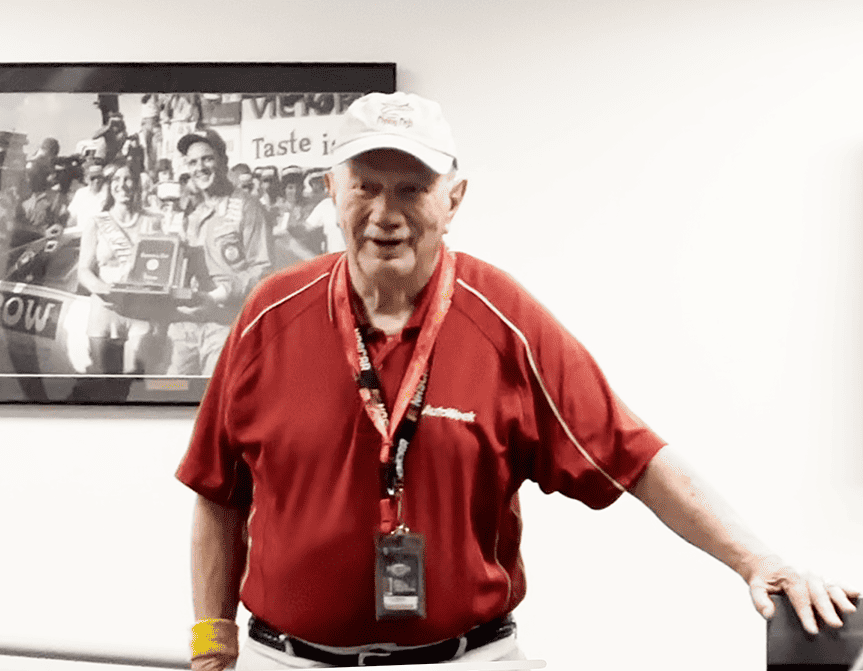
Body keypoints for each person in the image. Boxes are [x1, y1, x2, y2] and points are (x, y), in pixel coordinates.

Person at [176, 92, 859, 670]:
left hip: (466, 660)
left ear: (454, 200)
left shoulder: (505, 320)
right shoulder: (270, 313)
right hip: (287, 660)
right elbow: (216, 488)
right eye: (366, 185)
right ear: (332, 190)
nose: (386, 212)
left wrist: (755, 559)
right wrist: (212, 638)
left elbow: (636, 456)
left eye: (412, 188)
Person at [165, 130, 272, 376]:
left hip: (226, 324)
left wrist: (218, 295)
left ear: (223, 161)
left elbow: (263, 270)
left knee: (213, 401)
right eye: (192, 162)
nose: (199, 168)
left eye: (207, 159)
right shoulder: (188, 213)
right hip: (186, 325)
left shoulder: (247, 206)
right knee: (169, 393)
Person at [77, 159, 165, 375]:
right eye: (116, 179)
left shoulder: (153, 222)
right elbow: (83, 271)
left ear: (136, 183)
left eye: (128, 179)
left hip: (141, 311)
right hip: (105, 311)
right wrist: (103, 289)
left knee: (137, 386)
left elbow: (163, 267)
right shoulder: (96, 222)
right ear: (109, 185)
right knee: (104, 388)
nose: (122, 184)